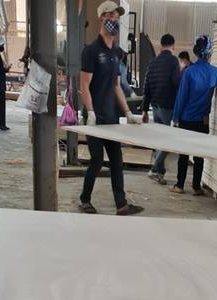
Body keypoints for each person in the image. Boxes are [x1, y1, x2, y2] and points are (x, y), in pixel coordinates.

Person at [79, 1, 143, 216]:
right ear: (101, 18)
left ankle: (121, 204)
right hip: (95, 117)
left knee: (116, 161)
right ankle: (85, 200)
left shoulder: (116, 52)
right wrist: (90, 112)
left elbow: (116, 86)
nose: (113, 21)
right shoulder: (91, 50)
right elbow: (84, 85)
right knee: (97, 160)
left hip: (111, 116)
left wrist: (128, 113)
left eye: (116, 17)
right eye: (110, 16)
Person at [171, 35, 217, 196]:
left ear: (196, 52)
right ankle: (196, 187)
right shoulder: (215, 73)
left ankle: (179, 185)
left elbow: (181, 97)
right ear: (209, 53)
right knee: (199, 156)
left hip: (186, 119)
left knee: (183, 155)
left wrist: (175, 118)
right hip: (202, 121)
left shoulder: (189, 72)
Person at [141, 33, 180, 185]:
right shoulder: (173, 61)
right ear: (173, 46)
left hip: (155, 106)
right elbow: (176, 82)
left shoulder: (153, 62)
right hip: (167, 106)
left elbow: (146, 87)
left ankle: (159, 172)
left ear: (160, 45)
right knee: (168, 140)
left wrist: (145, 110)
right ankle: (155, 168)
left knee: (159, 139)